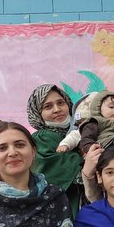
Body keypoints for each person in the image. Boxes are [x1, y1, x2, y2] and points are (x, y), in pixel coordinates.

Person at [27, 83, 86, 212]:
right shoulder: (41, 138)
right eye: (48, 106)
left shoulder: (80, 130)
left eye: (61, 103)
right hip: (63, 207)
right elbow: (50, 169)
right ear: (38, 113)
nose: (57, 109)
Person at [57, 90, 114, 155]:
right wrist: (65, 144)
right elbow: (82, 137)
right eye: (111, 107)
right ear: (98, 107)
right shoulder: (95, 122)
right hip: (101, 155)